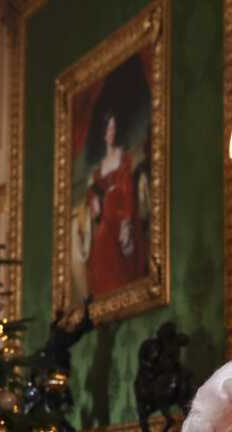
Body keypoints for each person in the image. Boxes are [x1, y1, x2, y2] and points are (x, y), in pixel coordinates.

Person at [79, 108, 146, 296]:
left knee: (114, 239)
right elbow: (93, 192)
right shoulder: (98, 168)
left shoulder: (122, 157)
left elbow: (127, 188)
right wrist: (94, 201)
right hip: (107, 216)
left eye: (114, 128)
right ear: (103, 132)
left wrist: (125, 221)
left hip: (123, 211)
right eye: (108, 128)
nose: (111, 132)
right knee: (100, 243)